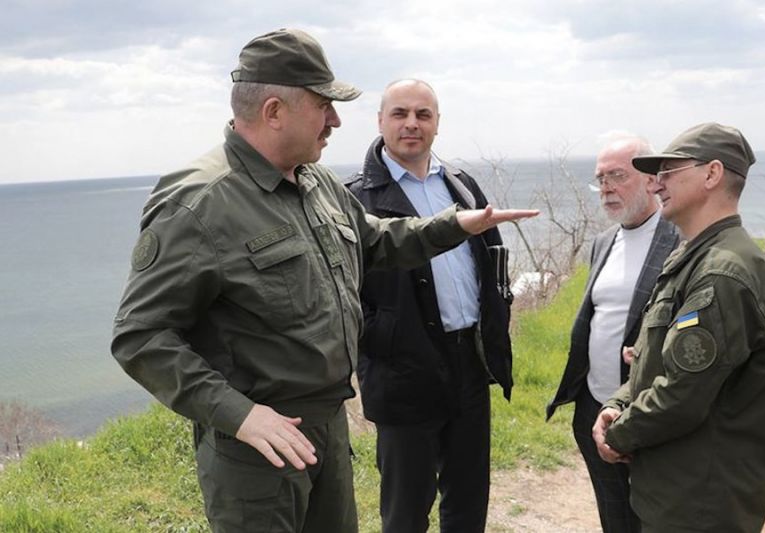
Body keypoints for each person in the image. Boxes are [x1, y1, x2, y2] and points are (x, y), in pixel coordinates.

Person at [110, 29, 537, 533]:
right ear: (274, 111)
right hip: (257, 447)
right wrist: (240, 415)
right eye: (323, 105)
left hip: (327, 427)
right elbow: (140, 335)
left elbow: (375, 241)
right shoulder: (202, 202)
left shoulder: (315, 181)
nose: (335, 120)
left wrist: (455, 224)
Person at [592, 122, 765, 532]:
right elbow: (659, 355)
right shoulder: (697, 256)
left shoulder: (723, 272)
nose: (656, 183)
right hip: (681, 485)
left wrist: (618, 434)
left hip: (701, 500)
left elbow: (682, 394)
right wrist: (619, 403)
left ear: (712, 174)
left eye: (668, 171)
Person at [345, 79, 513, 533]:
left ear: (437, 123)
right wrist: (383, 336)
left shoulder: (462, 186)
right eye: (399, 113)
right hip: (401, 371)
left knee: (468, 502)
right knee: (406, 511)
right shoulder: (355, 198)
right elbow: (342, 292)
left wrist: (497, 320)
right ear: (380, 121)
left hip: (469, 363)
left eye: (423, 114)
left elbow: (491, 264)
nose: (411, 124)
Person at [546, 135, 680, 532]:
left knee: (656, 517)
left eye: (617, 176)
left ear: (652, 179)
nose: (606, 188)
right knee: (614, 517)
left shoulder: (681, 239)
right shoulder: (604, 241)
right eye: (600, 179)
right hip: (595, 409)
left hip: (649, 411)